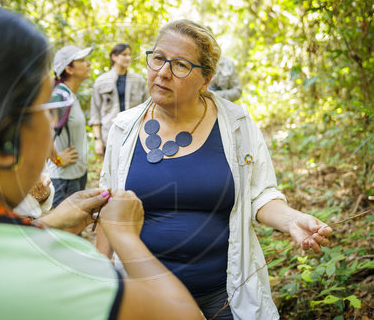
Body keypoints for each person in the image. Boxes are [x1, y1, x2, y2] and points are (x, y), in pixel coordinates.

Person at [0, 3, 206, 320]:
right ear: (5, 143)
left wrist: (49, 223)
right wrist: (125, 236)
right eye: (47, 109)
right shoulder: (61, 272)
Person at [96, 19, 333, 320]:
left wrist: (292, 220)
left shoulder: (236, 124)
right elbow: (108, 206)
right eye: (157, 58)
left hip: (224, 295)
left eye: (180, 65)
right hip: (144, 296)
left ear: (206, 79)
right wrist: (100, 280)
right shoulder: (123, 128)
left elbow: (259, 194)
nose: (163, 72)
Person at [46, 45, 91, 207]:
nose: (89, 64)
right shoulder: (60, 95)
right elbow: (41, 130)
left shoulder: (69, 94)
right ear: (69, 69)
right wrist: (56, 159)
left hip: (76, 175)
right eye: (82, 60)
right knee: (65, 231)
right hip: (64, 179)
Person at [89, 43, 148, 155]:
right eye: (124, 54)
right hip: (109, 135)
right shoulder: (101, 81)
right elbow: (95, 113)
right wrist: (98, 140)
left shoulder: (138, 81)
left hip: (134, 135)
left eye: (129, 55)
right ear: (114, 57)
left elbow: (146, 109)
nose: (128, 58)